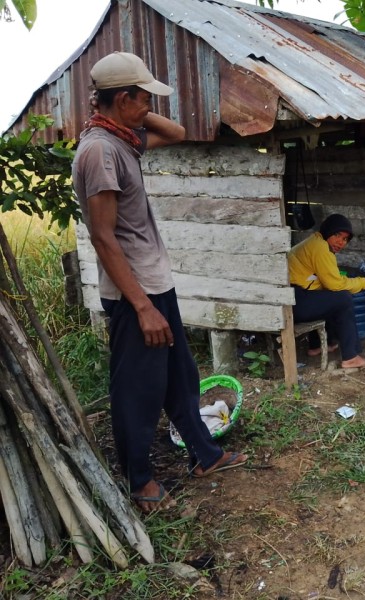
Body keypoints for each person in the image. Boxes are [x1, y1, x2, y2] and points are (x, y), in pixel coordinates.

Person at [72, 52, 247, 513]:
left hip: (153, 282)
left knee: (179, 377)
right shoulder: (100, 151)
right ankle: (140, 481)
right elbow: (102, 236)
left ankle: (205, 455)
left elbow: (178, 133)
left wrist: (133, 107)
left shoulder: (122, 139)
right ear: (123, 98)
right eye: (143, 95)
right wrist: (143, 307)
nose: (150, 103)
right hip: (135, 295)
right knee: (138, 390)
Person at [288, 214, 365, 369]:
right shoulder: (320, 247)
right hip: (293, 302)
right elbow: (335, 284)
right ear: (328, 231)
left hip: (292, 299)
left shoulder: (314, 242)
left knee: (329, 296)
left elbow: (326, 284)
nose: (340, 242)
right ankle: (350, 356)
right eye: (337, 235)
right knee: (342, 298)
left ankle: (318, 346)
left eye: (345, 239)